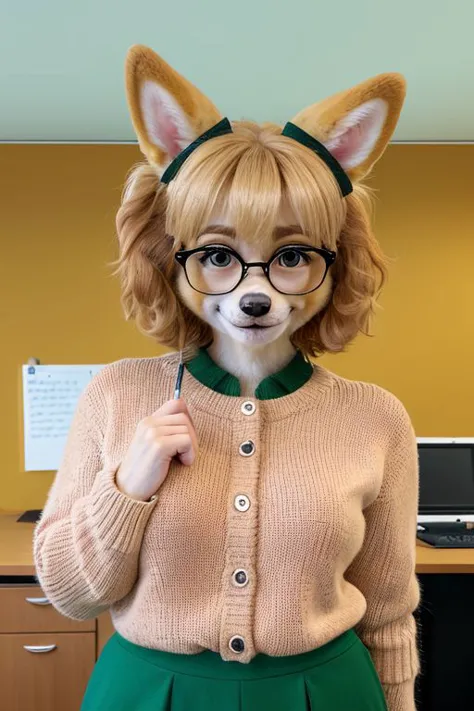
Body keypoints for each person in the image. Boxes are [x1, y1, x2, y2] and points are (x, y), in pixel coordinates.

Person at [34, 45, 420, 711]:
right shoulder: (117, 394)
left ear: (335, 260)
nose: (255, 291)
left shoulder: (376, 417)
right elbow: (71, 593)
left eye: (292, 256)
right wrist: (128, 485)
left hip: (324, 692)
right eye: (218, 254)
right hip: (149, 691)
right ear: (169, 254)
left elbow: (387, 615)